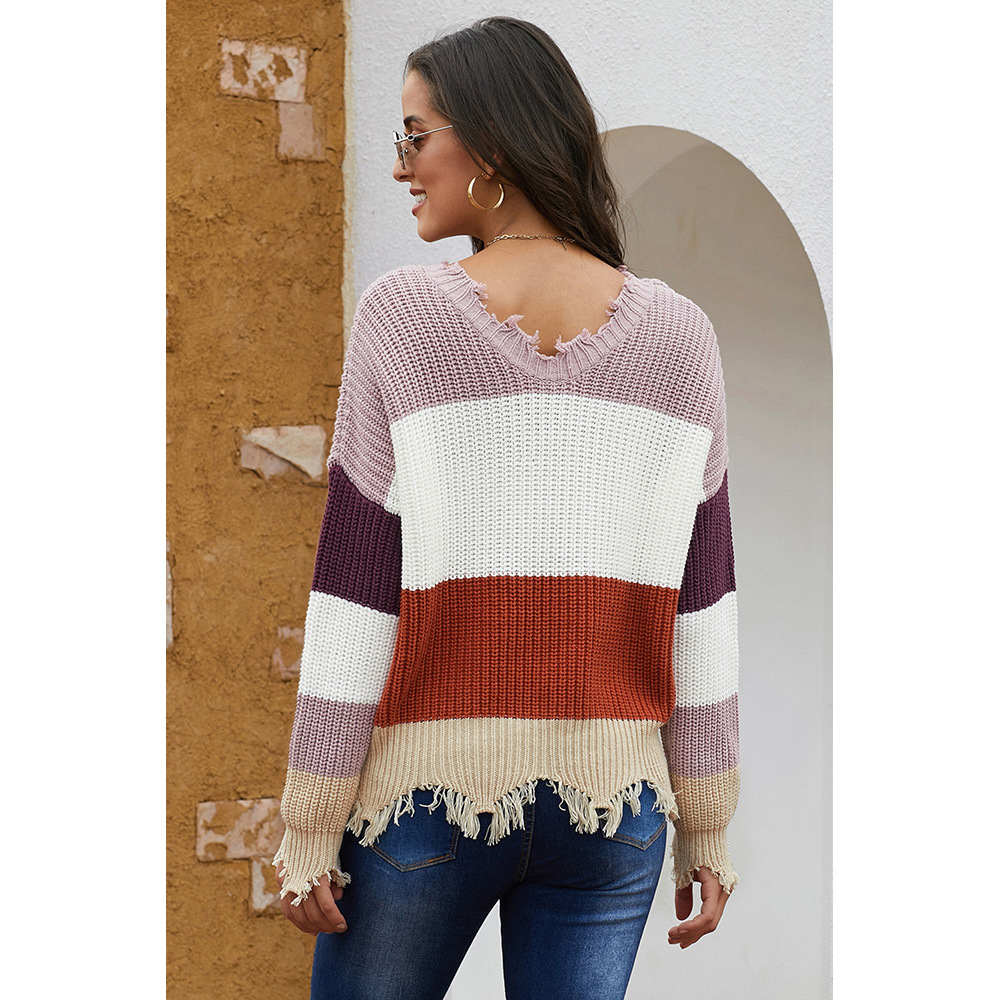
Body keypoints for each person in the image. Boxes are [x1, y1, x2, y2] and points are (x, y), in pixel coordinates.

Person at [273, 16, 740, 1000]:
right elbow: (703, 609)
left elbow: (355, 598)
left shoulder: (401, 318)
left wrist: (310, 821)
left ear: (488, 143)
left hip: (427, 802)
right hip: (614, 813)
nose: (400, 166)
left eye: (415, 135)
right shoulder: (683, 337)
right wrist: (707, 824)